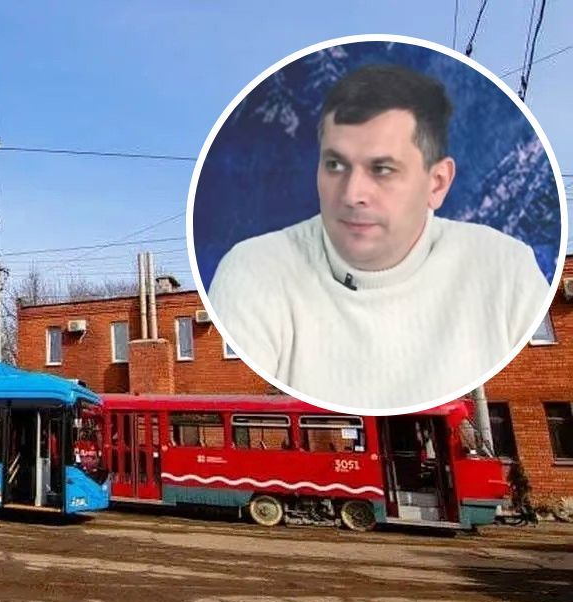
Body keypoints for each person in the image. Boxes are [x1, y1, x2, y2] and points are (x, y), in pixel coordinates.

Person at [208, 64, 551, 409]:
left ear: (437, 183)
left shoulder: (505, 269)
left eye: (382, 169)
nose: (352, 193)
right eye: (335, 165)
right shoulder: (255, 270)